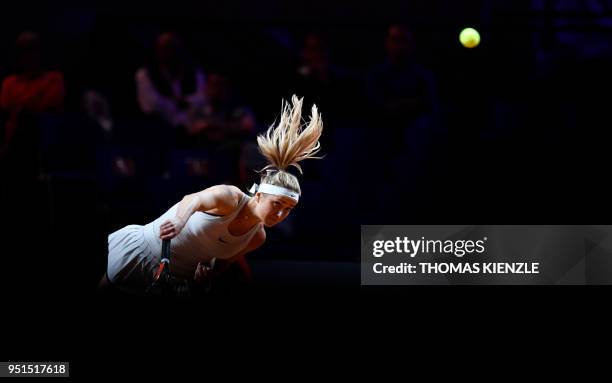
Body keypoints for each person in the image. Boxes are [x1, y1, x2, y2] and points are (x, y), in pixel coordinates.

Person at [100, 95, 323, 295]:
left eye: (288, 209)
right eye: (277, 203)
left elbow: (223, 263)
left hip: (175, 280)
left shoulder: (257, 237)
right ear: (258, 196)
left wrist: (209, 274)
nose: (281, 213)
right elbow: (193, 200)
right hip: (141, 251)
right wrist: (179, 220)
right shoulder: (230, 197)